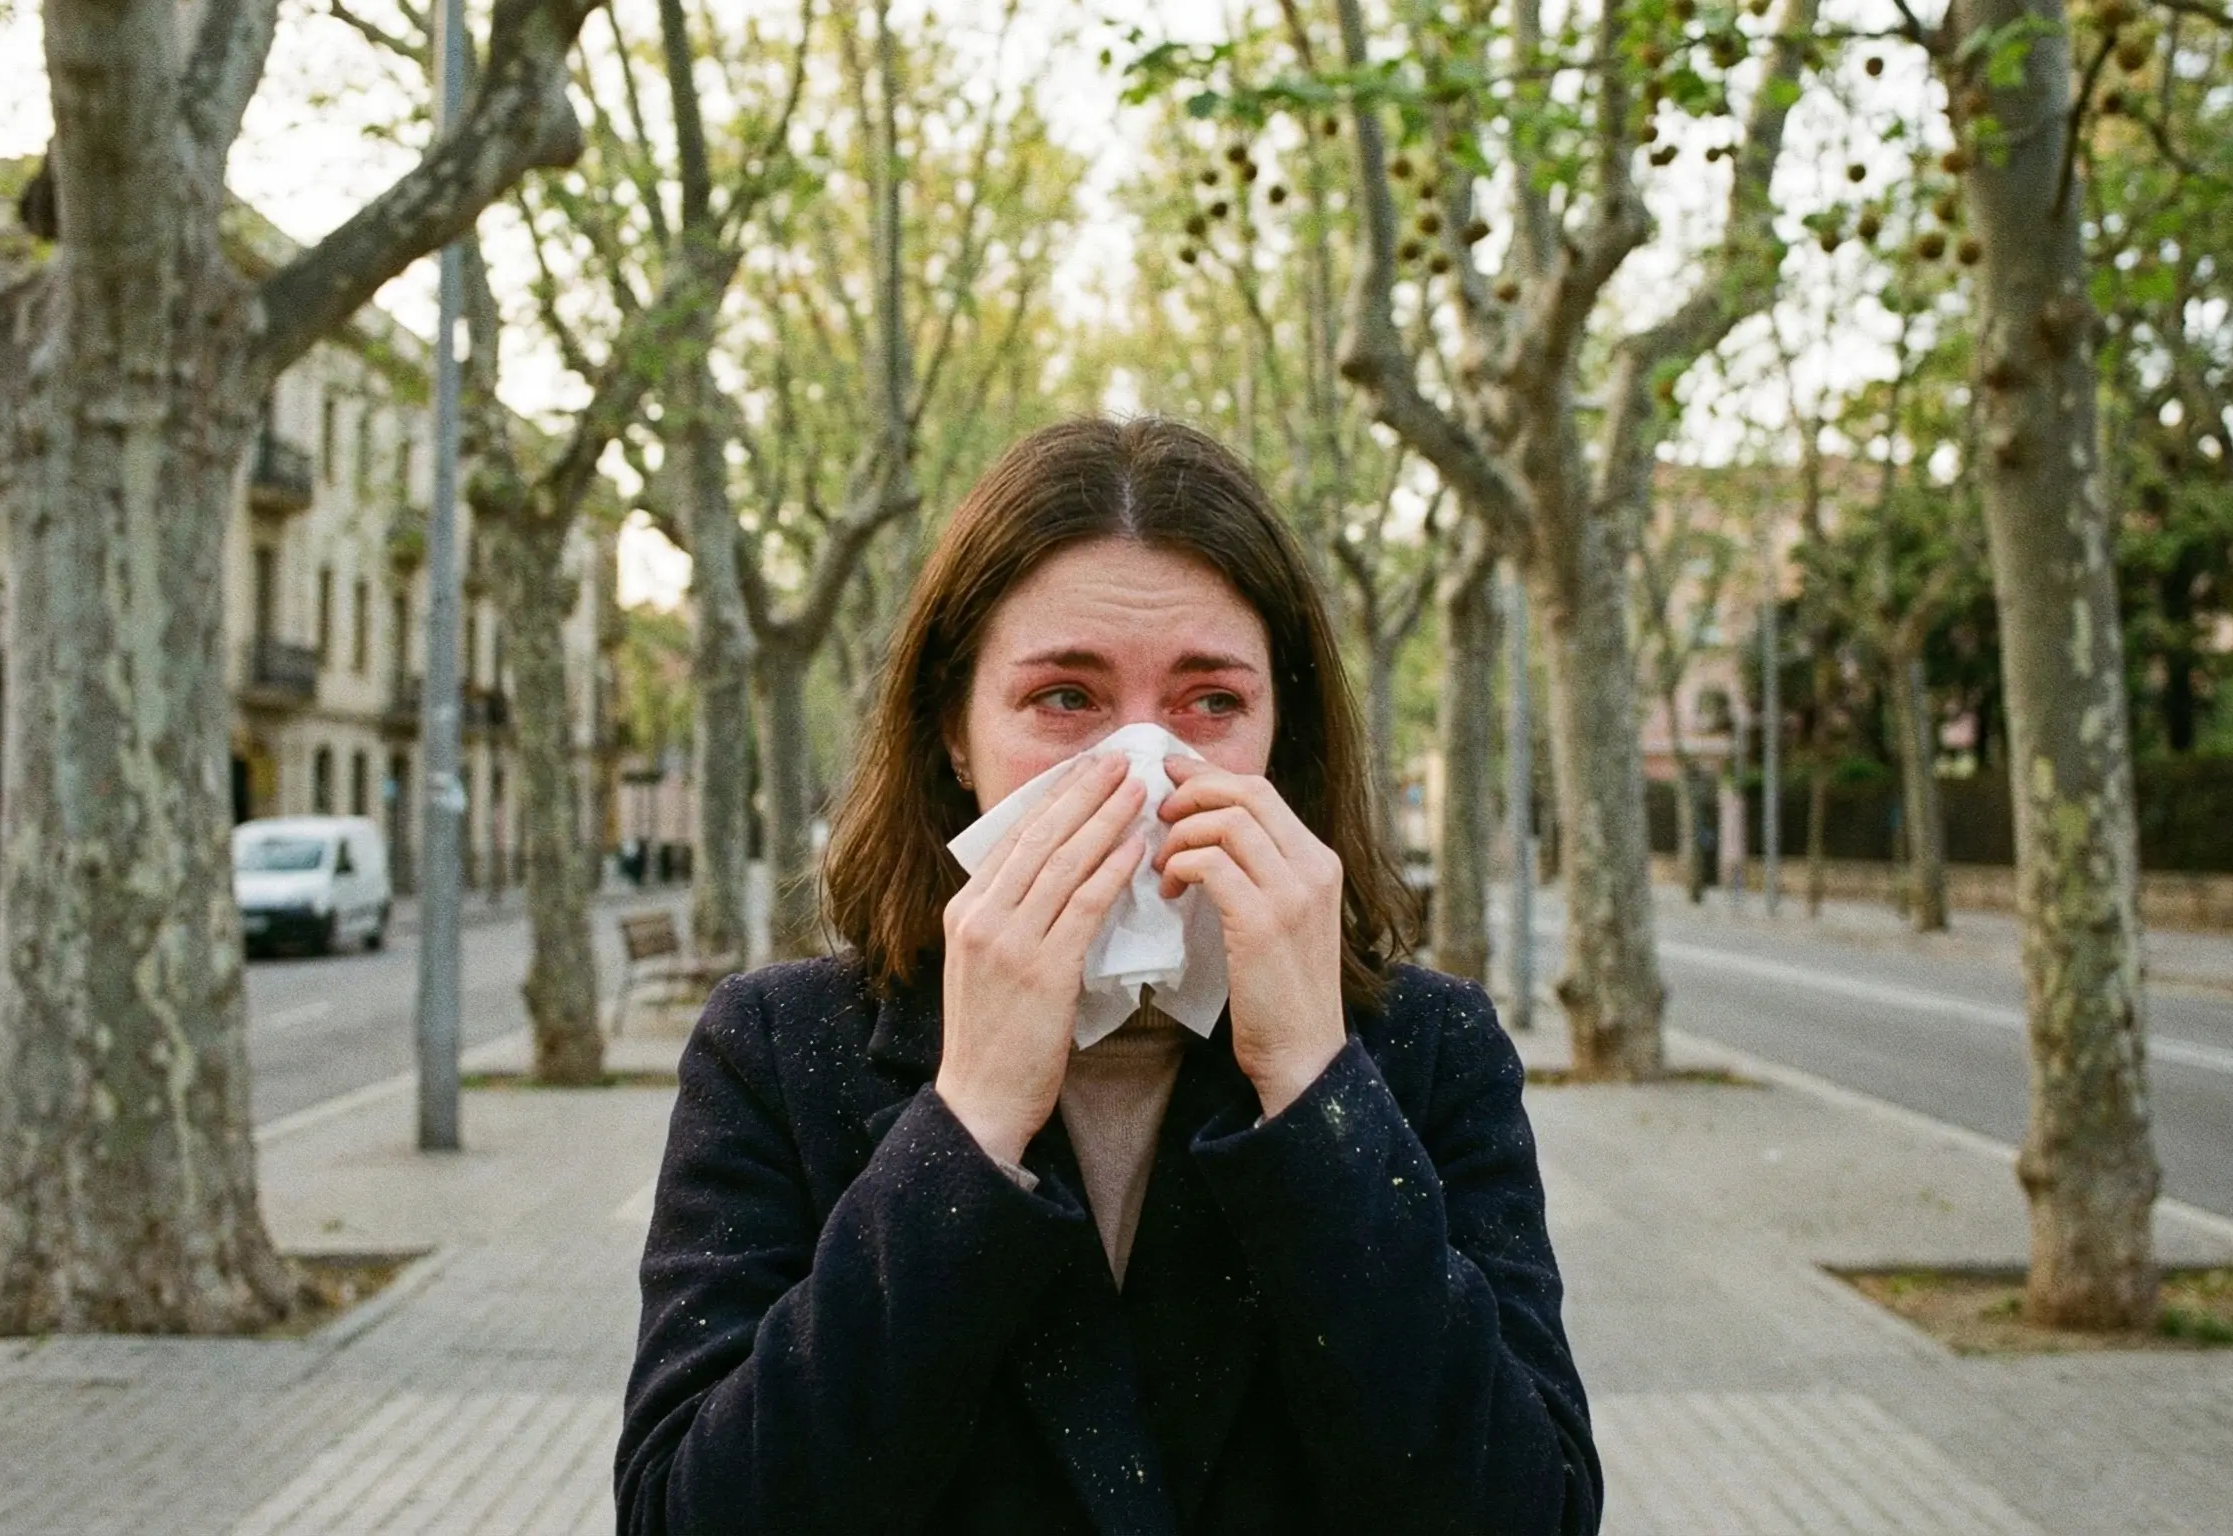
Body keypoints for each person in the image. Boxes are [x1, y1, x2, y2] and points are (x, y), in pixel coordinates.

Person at [615, 416, 1600, 1534]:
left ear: (1281, 732)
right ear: (953, 733)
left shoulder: (1429, 1052)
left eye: (1211, 703)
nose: (1139, 770)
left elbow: (1530, 1510)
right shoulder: (777, 1054)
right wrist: (969, 1120)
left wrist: (1315, 1093)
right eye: (1065, 699)